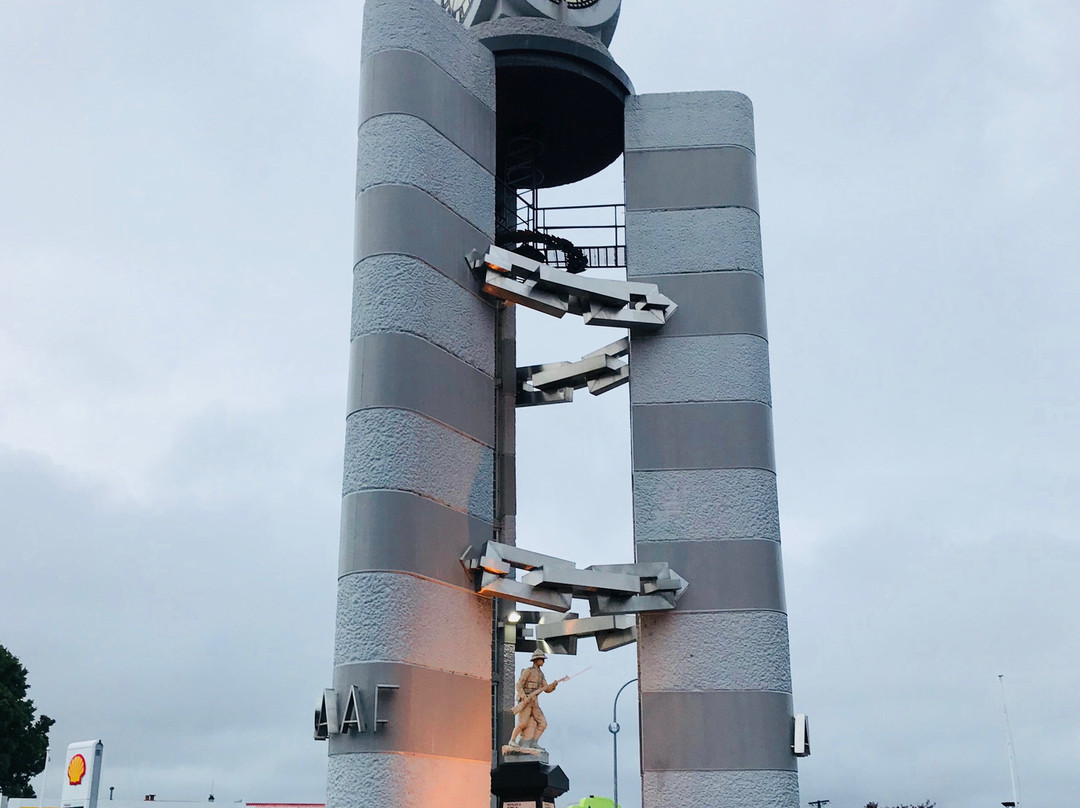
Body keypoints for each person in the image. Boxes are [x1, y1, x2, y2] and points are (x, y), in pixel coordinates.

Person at [508, 649, 559, 748]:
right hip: (526, 701)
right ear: (536, 660)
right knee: (522, 724)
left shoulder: (541, 674)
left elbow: (546, 689)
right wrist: (524, 697)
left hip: (534, 703)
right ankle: (512, 740)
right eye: (541, 659)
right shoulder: (528, 671)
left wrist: (553, 685)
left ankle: (534, 742)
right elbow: (519, 685)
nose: (543, 661)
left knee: (543, 723)